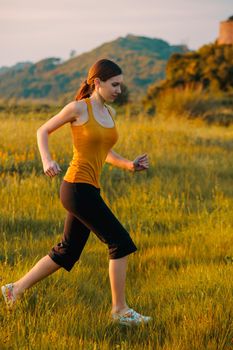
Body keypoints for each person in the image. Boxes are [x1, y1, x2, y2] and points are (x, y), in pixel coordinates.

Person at [1, 59, 151, 326]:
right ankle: (120, 310)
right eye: (114, 85)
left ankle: (15, 289)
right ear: (97, 83)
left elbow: (104, 152)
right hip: (76, 187)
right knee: (120, 242)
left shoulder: (109, 113)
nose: (119, 90)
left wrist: (129, 164)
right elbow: (42, 130)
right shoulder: (78, 109)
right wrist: (47, 160)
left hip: (88, 188)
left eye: (121, 85)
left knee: (68, 251)